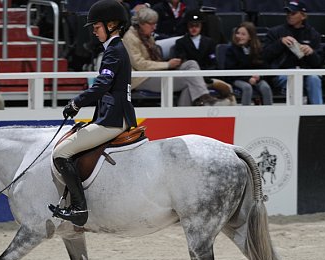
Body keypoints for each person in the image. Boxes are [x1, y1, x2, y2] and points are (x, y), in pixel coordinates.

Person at [48, 0, 137, 226]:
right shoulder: (113, 50)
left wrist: (76, 103)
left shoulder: (114, 52)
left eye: (97, 27)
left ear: (112, 25)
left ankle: (79, 208)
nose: (95, 32)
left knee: (60, 153)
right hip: (112, 116)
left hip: (113, 120)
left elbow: (101, 86)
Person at [123, 7, 228, 106]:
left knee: (191, 64)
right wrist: (168, 64)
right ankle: (198, 104)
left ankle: (194, 105)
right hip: (141, 78)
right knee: (190, 80)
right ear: (141, 23)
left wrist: (172, 64)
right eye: (151, 24)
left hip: (156, 72)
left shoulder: (147, 36)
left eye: (155, 24)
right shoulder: (130, 38)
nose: (154, 27)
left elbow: (155, 58)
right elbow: (140, 64)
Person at [263, 0, 323, 104]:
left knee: (314, 78)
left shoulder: (313, 34)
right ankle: (294, 114)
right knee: (293, 79)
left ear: (303, 16)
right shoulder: (275, 32)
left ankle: (318, 114)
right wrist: (280, 43)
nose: (289, 16)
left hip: (305, 71)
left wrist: (311, 53)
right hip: (283, 72)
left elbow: (318, 62)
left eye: (293, 13)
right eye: (288, 13)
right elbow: (265, 56)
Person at [174, 10, 235, 104]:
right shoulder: (181, 42)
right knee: (187, 90)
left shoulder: (209, 42)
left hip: (207, 77)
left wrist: (205, 74)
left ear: (201, 26)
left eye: (197, 26)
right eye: (191, 26)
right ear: (187, 26)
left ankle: (231, 113)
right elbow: (182, 61)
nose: (194, 28)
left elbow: (213, 62)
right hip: (190, 78)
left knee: (228, 88)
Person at [224, 22, 273, 106]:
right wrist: (248, 79)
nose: (239, 36)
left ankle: (268, 113)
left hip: (255, 78)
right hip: (237, 78)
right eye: (238, 33)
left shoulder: (258, 49)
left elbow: (264, 66)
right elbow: (232, 70)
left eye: (243, 34)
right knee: (247, 87)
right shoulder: (231, 50)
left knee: (265, 87)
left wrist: (259, 76)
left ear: (250, 37)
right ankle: (244, 114)